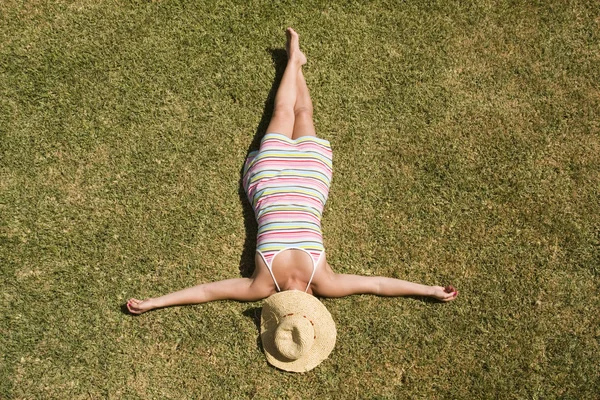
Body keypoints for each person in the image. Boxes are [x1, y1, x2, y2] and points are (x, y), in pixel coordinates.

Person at [126, 28, 458, 316]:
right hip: (307, 180)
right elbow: (375, 284)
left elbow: (207, 292)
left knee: (286, 110)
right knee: (302, 111)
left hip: (271, 179)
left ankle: (294, 62)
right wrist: (426, 289)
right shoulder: (325, 281)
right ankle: (295, 61)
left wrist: (157, 302)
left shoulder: (261, 285)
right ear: (311, 305)